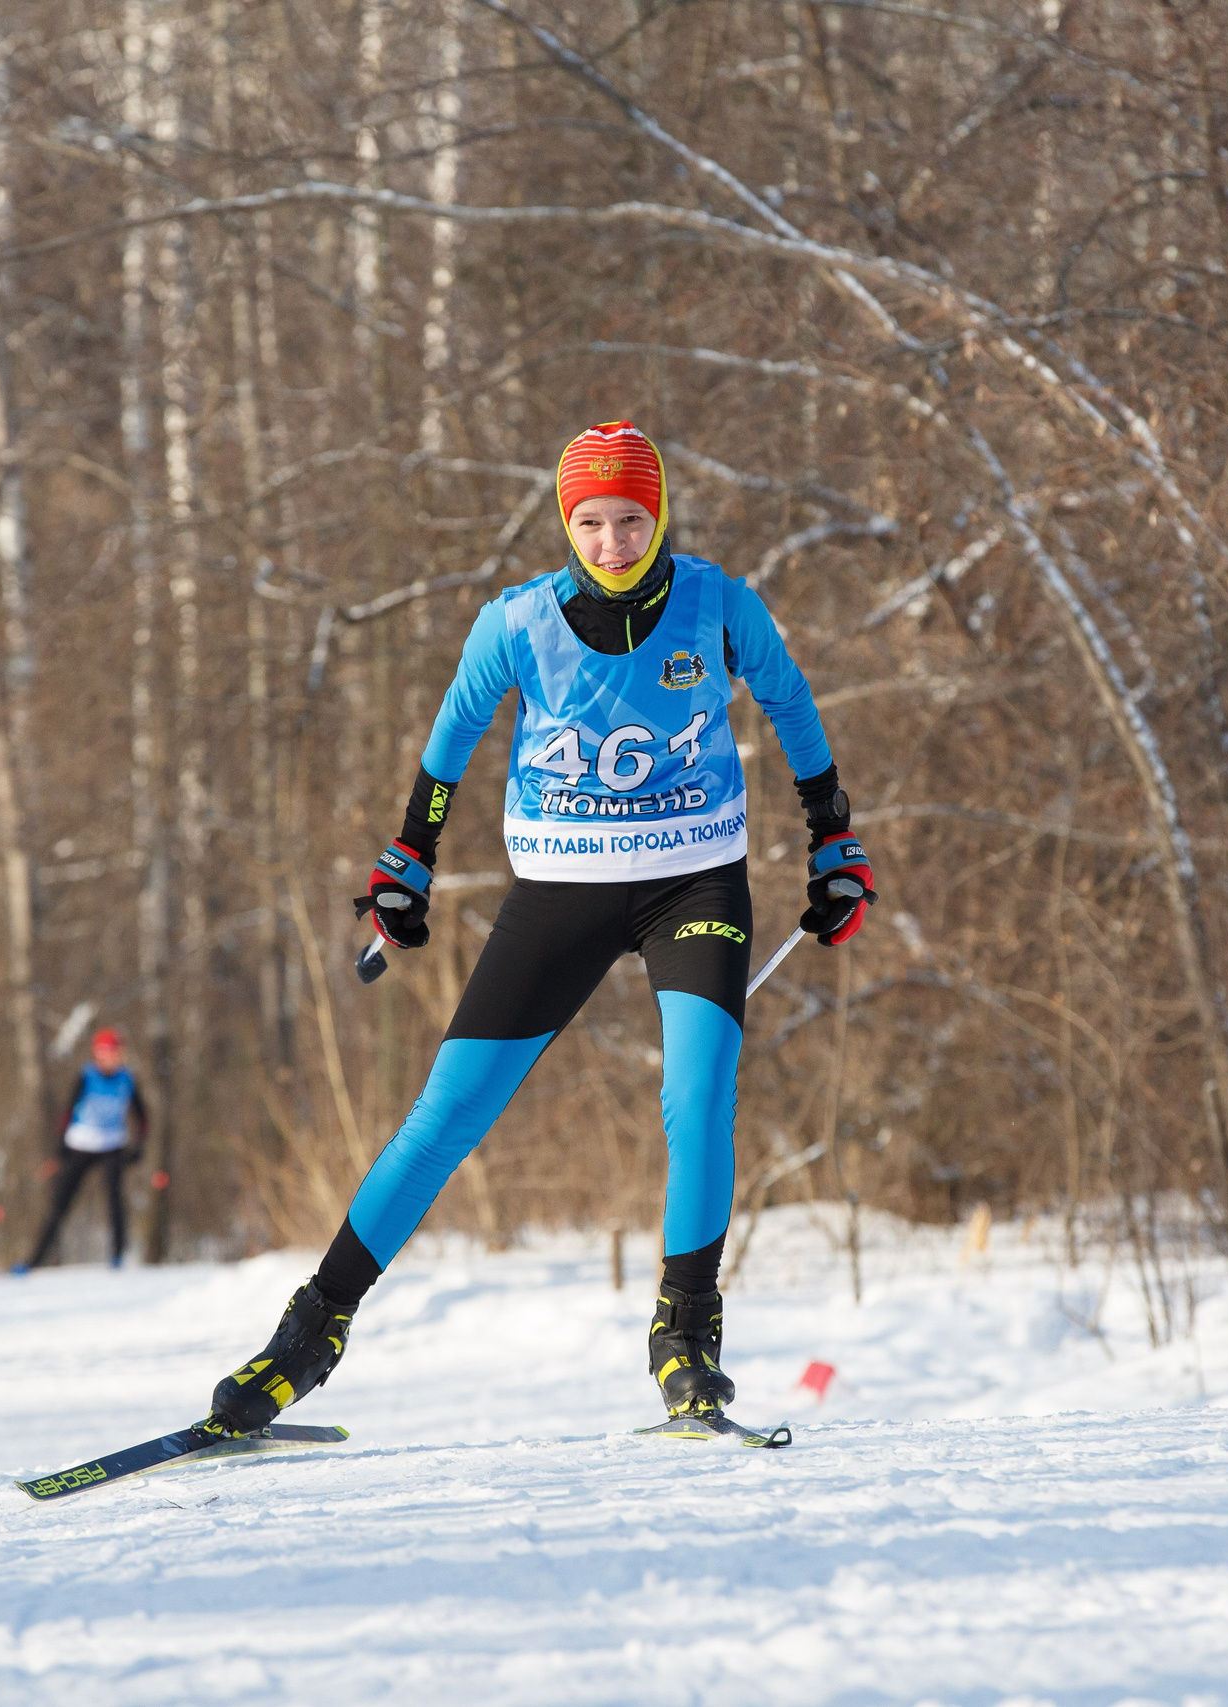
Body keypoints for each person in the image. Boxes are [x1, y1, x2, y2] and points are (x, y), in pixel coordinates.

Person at [198, 420, 875, 1437]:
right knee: (448, 1113)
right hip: (562, 890)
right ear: (566, 522)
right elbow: (450, 742)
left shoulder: (721, 606)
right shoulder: (515, 624)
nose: (611, 542)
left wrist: (833, 843)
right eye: (591, 522)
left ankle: (686, 1339)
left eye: (631, 519)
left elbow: (792, 706)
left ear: (659, 516)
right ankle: (309, 1333)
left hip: (695, 885)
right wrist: (406, 863)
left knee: (697, 1095)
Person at [14, 1027, 149, 1273]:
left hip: (112, 1145)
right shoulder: (87, 1076)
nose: (112, 1057)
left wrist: (139, 1147)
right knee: (60, 1204)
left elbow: (142, 1116)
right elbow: (67, 1112)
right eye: (107, 1052)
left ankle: (118, 1258)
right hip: (81, 1144)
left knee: (115, 1201)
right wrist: (60, 1150)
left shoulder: (126, 1078)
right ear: (97, 1054)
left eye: (116, 1052)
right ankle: (34, 1260)